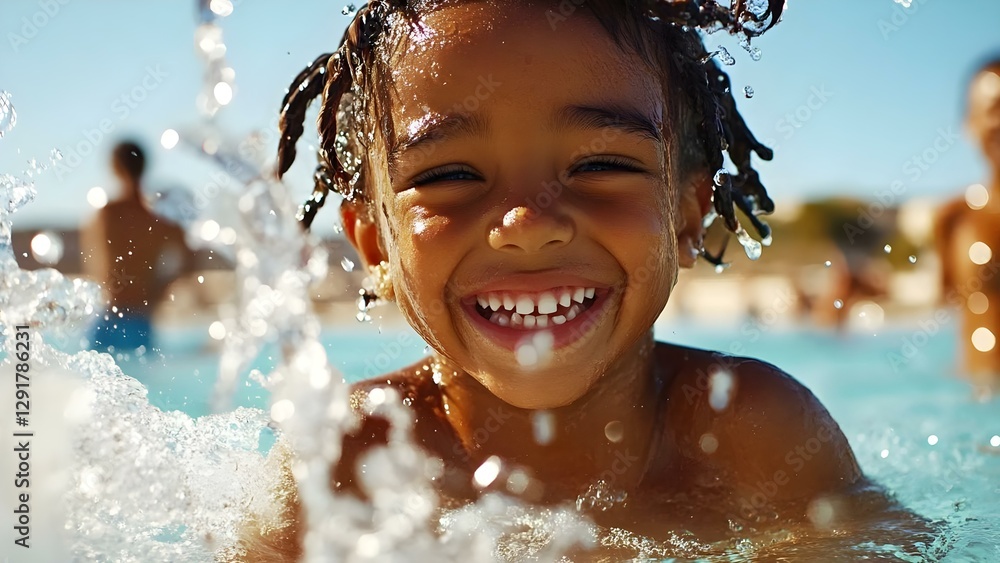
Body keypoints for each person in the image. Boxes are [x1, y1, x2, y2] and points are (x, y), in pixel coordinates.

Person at [238, 1, 928, 559]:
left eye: (601, 164)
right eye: (449, 175)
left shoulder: (753, 435)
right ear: (374, 243)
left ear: (688, 213)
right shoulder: (338, 464)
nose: (528, 223)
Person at [81, 140, 190, 353]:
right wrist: (158, 292)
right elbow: (189, 259)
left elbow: (94, 265)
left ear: (115, 168)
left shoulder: (107, 215)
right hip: (142, 318)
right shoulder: (160, 224)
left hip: (109, 316)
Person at [935, 58, 1000, 394]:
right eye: (994, 108)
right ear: (969, 124)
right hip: (975, 407)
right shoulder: (952, 219)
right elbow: (944, 309)